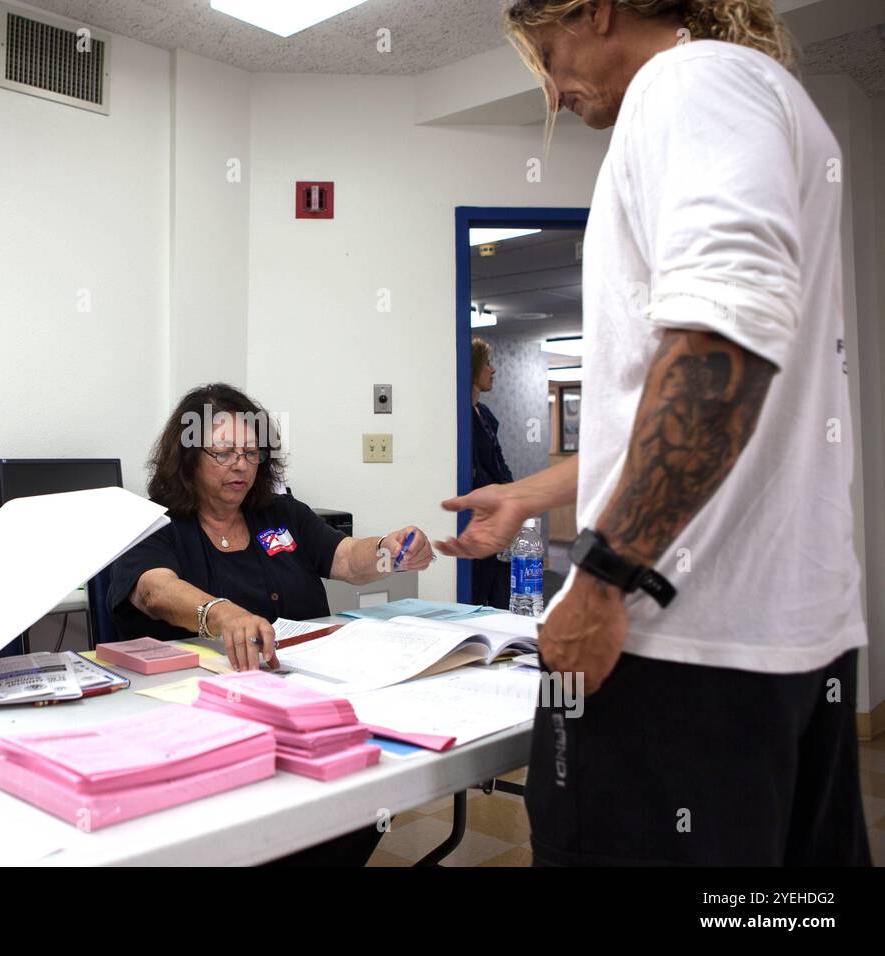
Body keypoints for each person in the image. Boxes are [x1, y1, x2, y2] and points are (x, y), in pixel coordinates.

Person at [438, 0, 870, 865]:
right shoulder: (774, 100)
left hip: (672, 640)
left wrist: (599, 581)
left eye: (551, 55)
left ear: (597, 11)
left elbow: (720, 354)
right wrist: (528, 493)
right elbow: (691, 404)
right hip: (787, 638)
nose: (555, 95)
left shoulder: (687, 80)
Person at [110, 383, 435, 673]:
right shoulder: (153, 521)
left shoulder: (281, 513)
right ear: (188, 459)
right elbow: (155, 591)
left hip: (308, 673)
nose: (240, 464)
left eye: (251, 452)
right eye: (224, 453)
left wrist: (388, 553)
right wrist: (223, 615)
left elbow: (347, 559)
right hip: (202, 688)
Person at [468, 337, 515, 608]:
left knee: (501, 593)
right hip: (479, 516)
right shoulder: (460, 416)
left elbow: (499, 462)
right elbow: (475, 471)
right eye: (487, 363)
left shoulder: (484, 414)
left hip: (500, 515)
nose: (492, 369)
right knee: (477, 591)